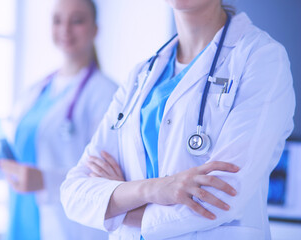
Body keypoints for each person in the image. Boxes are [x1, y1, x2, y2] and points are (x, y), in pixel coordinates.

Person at [60, 0, 296, 239]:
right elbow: (74, 193)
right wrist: (155, 189)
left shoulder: (262, 58)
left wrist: (118, 204)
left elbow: (221, 197)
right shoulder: (141, 75)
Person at [0, 0, 116, 239]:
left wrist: (45, 180)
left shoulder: (107, 94)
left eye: (77, 20)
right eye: (57, 20)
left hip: (68, 229)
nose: (65, 29)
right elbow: (13, 164)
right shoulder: (35, 91)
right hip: (20, 223)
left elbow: (106, 179)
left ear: (95, 28)